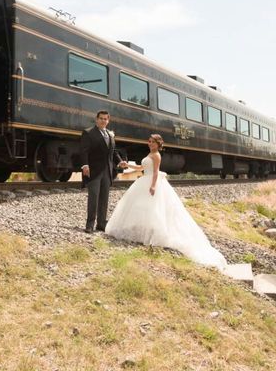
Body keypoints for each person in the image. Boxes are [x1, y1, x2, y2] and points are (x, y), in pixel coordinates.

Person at [105, 134, 227, 270]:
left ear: (158, 144)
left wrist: (153, 185)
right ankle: (144, 231)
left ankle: (152, 234)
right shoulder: (150, 154)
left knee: (154, 208)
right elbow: (141, 168)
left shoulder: (156, 155)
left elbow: (156, 172)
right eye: (149, 141)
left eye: (153, 142)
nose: (150, 144)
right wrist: (127, 165)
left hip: (151, 181)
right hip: (144, 180)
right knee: (144, 208)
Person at [80, 110, 126, 233]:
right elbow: (84, 151)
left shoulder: (110, 134)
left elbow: (113, 151)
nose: (103, 121)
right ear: (96, 119)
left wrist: (119, 161)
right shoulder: (88, 132)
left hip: (107, 172)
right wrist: (85, 165)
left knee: (104, 199)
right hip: (93, 171)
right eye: (101, 118)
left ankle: (101, 224)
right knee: (93, 198)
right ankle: (89, 225)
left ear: (108, 121)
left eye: (105, 119)